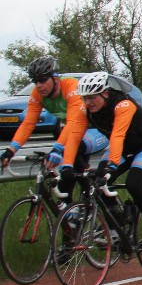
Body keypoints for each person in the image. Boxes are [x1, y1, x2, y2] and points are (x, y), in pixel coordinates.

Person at [64, 71, 142, 252]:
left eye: (92, 97)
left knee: (133, 184)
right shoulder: (86, 110)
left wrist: (111, 165)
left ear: (105, 93)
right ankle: (115, 227)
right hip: (123, 148)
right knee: (98, 183)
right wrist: (66, 165)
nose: (88, 102)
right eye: (85, 98)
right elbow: (74, 137)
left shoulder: (123, 105)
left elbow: (118, 135)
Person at [0, 56, 108, 200]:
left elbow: (73, 121)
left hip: (96, 130)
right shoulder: (37, 94)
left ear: (55, 78)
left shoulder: (71, 87)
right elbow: (28, 124)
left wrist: (57, 148)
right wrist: (11, 150)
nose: (38, 85)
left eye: (42, 80)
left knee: (70, 154)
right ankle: (72, 208)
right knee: (66, 178)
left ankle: (101, 199)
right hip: (74, 132)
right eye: (35, 81)